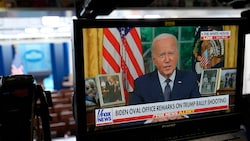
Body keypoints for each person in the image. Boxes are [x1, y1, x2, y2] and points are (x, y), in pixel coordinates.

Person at [128, 33, 201, 122]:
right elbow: (129, 119)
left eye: (171, 53)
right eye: (162, 55)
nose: (167, 60)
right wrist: (152, 121)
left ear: (177, 55)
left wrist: (183, 117)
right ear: (154, 60)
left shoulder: (190, 79)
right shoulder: (141, 84)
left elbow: (201, 112)